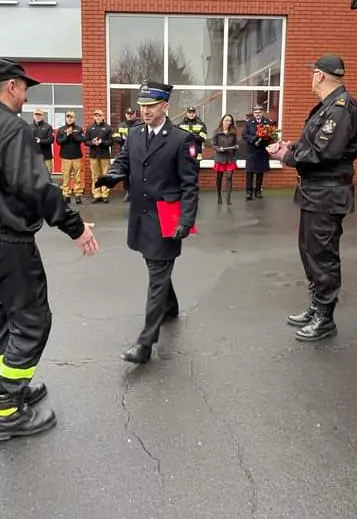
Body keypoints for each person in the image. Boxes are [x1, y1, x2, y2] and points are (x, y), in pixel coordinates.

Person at [0, 58, 99, 441]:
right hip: (8, 242)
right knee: (33, 322)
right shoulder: (10, 127)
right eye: (25, 89)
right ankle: (7, 407)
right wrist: (75, 227)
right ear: (12, 86)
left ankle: (10, 386)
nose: (26, 97)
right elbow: (35, 186)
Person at [95, 81, 199, 364]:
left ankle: (145, 343)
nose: (145, 111)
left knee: (157, 273)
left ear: (165, 106)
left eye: (151, 106)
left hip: (166, 217)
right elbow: (124, 161)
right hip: (142, 215)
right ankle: (170, 307)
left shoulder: (181, 140)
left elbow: (189, 185)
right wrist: (113, 175)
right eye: (142, 106)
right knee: (157, 268)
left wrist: (186, 219)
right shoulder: (135, 134)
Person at [268, 54, 357, 342]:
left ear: (320, 75)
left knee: (322, 255)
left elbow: (325, 152)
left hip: (327, 195)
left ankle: (325, 317)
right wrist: (292, 147)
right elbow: (313, 143)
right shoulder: (328, 107)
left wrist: (287, 157)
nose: (311, 77)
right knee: (310, 252)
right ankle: (316, 305)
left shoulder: (341, 109)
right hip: (315, 193)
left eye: (313, 73)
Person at [242, 104, 275, 200]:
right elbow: (244, 135)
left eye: (259, 112)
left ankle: (258, 191)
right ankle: (249, 192)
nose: (257, 114)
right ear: (253, 113)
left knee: (260, 172)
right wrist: (254, 139)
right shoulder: (249, 123)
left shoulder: (267, 122)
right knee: (250, 171)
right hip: (251, 150)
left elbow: (272, 135)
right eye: (256, 112)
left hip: (262, 150)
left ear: (262, 113)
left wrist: (265, 139)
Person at [84, 108, 113, 204]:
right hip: (93, 155)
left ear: (103, 117)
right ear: (94, 117)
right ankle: (97, 195)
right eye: (96, 115)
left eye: (99, 115)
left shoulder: (108, 127)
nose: (98, 117)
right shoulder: (90, 127)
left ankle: (105, 195)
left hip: (104, 155)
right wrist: (92, 143)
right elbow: (86, 141)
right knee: (95, 176)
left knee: (105, 175)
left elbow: (111, 142)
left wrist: (102, 142)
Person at [211, 114, 240, 205]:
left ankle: (228, 198)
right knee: (219, 177)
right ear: (222, 121)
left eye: (230, 121)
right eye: (227, 120)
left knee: (229, 177)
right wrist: (218, 149)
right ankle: (219, 196)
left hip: (230, 158)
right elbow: (213, 144)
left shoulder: (233, 132)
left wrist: (236, 147)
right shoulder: (217, 131)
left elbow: (236, 143)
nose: (228, 122)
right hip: (220, 158)